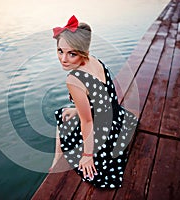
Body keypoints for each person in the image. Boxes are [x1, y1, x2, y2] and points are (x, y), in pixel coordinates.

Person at [50, 15, 138, 189]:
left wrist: (88, 155)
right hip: (116, 121)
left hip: (102, 137)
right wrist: (76, 110)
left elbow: (88, 121)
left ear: (82, 52)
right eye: (60, 51)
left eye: (72, 53)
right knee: (68, 112)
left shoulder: (74, 80)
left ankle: (56, 161)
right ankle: (57, 158)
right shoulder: (94, 60)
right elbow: (101, 99)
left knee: (61, 118)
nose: (64, 59)